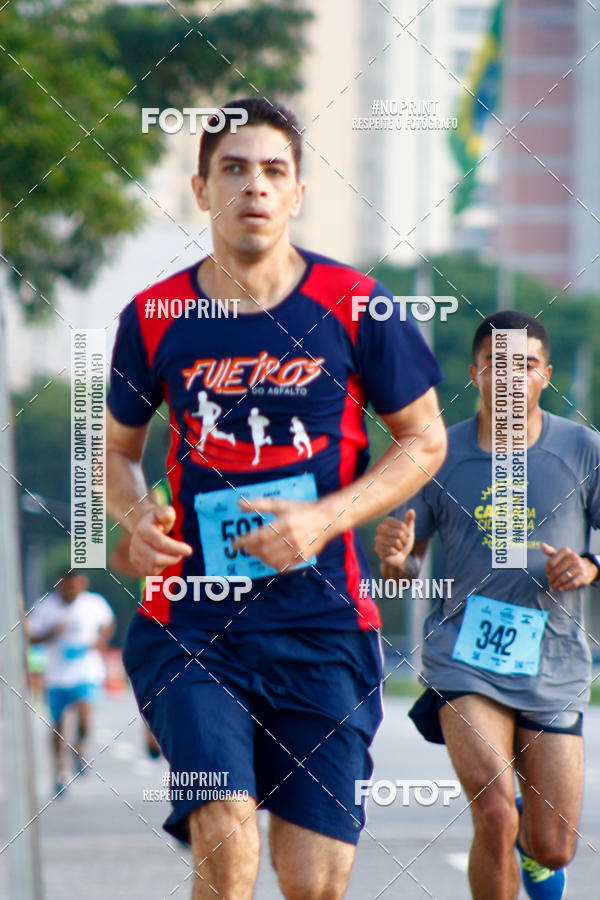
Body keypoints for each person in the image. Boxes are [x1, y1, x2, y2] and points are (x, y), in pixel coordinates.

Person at [106, 96, 447, 900]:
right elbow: (118, 454)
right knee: (227, 858)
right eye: (233, 169)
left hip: (323, 627)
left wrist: (326, 518)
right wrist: (132, 516)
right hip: (192, 622)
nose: (253, 187)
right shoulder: (155, 316)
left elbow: (424, 439)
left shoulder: (358, 305)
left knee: (315, 883)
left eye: (273, 171)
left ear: (297, 193)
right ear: (200, 189)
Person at [375, 310, 600, 900]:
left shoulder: (583, 449)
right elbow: (407, 564)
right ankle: (510, 825)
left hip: (554, 658)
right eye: (497, 364)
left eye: (524, 365)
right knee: (495, 813)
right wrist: (396, 559)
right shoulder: (437, 455)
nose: (510, 376)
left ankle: (536, 850)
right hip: (464, 656)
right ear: (475, 372)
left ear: (544, 375)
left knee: (554, 845)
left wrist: (589, 564)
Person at [27, 571, 115, 795]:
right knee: (57, 727)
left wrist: (101, 639)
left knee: (85, 720)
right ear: (60, 585)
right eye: (67, 587)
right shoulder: (46, 607)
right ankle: (58, 771)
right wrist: (52, 632)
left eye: (76, 586)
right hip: (56, 676)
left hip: (86, 672)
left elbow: (109, 623)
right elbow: (31, 637)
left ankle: (79, 748)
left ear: (82, 584)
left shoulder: (94, 603)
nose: (71, 591)